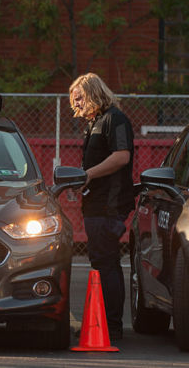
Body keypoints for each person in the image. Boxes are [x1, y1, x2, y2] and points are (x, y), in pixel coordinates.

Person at [69, 72, 134, 342]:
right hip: (95, 204)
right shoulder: (95, 122)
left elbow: (121, 156)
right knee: (102, 261)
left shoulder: (114, 119)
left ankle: (111, 326)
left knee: (106, 263)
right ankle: (107, 323)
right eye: (74, 101)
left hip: (110, 206)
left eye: (80, 99)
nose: (77, 106)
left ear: (94, 93)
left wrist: (89, 175)